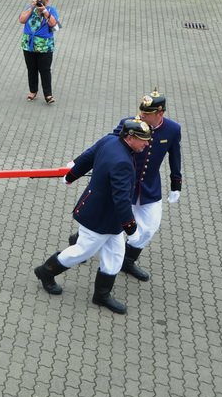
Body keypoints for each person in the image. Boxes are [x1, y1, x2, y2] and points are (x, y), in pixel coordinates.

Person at [33, 118, 153, 314]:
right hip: (100, 217)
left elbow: (87, 157)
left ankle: (102, 295)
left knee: (115, 254)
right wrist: (131, 227)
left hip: (105, 215)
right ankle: (45, 272)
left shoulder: (110, 140)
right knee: (83, 251)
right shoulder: (122, 162)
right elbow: (122, 200)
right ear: (130, 138)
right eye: (143, 140)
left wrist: (71, 176)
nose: (146, 144)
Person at [114, 90, 183, 282]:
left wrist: (176, 184)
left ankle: (127, 261)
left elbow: (175, 156)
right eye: (141, 112)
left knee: (150, 226)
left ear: (159, 113)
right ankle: (80, 242)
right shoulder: (128, 124)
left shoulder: (172, 129)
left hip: (149, 188)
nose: (141, 116)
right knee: (109, 222)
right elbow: (109, 145)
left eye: (147, 114)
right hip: (124, 185)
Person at [18, 0, 60, 104]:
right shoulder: (30, 8)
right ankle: (33, 91)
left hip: (45, 46)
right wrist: (32, 8)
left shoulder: (52, 10)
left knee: (45, 70)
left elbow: (53, 23)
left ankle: (48, 94)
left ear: (47, 0)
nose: (39, 2)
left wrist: (45, 11)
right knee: (31, 69)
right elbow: (21, 20)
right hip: (29, 44)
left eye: (41, 0)